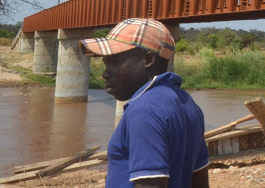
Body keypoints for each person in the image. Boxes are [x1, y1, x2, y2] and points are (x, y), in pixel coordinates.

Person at [79, 18, 209, 188]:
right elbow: (199, 181)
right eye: (106, 63)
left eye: (114, 62)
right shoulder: (188, 104)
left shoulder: (143, 111)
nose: (104, 74)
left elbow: (151, 184)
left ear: (148, 60)